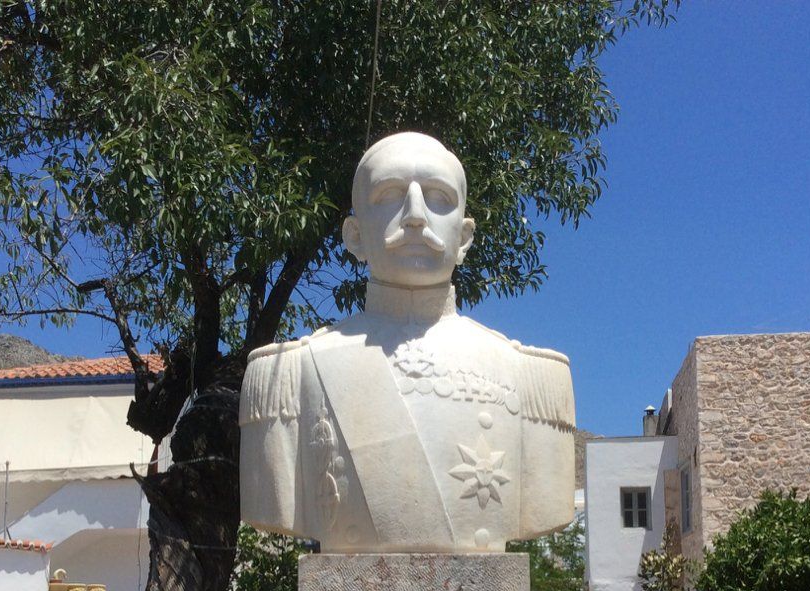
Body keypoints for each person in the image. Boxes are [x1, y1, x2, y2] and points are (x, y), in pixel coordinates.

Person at [239, 132, 575, 553]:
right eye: (390, 195)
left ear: (465, 237)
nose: (415, 215)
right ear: (355, 235)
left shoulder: (530, 376)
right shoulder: (288, 373)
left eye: (438, 197)